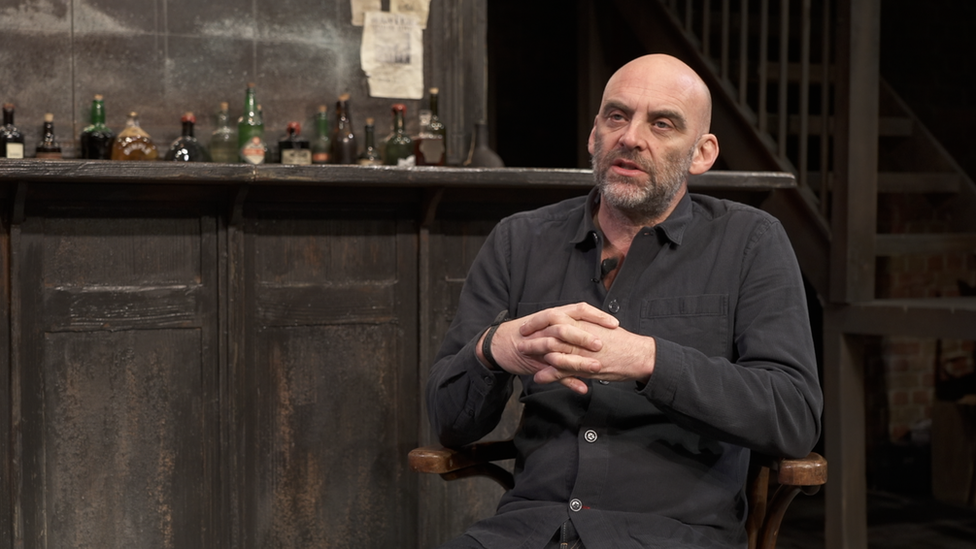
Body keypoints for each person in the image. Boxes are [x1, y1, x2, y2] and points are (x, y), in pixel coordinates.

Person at [426, 53, 823, 549]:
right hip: (526, 533)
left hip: (671, 537)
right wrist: (493, 350)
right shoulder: (519, 240)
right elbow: (447, 423)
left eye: (662, 124)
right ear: (594, 135)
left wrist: (647, 360)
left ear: (702, 153)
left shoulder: (750, 242)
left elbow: (793, 416)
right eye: (617, 116)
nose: (631, 137)